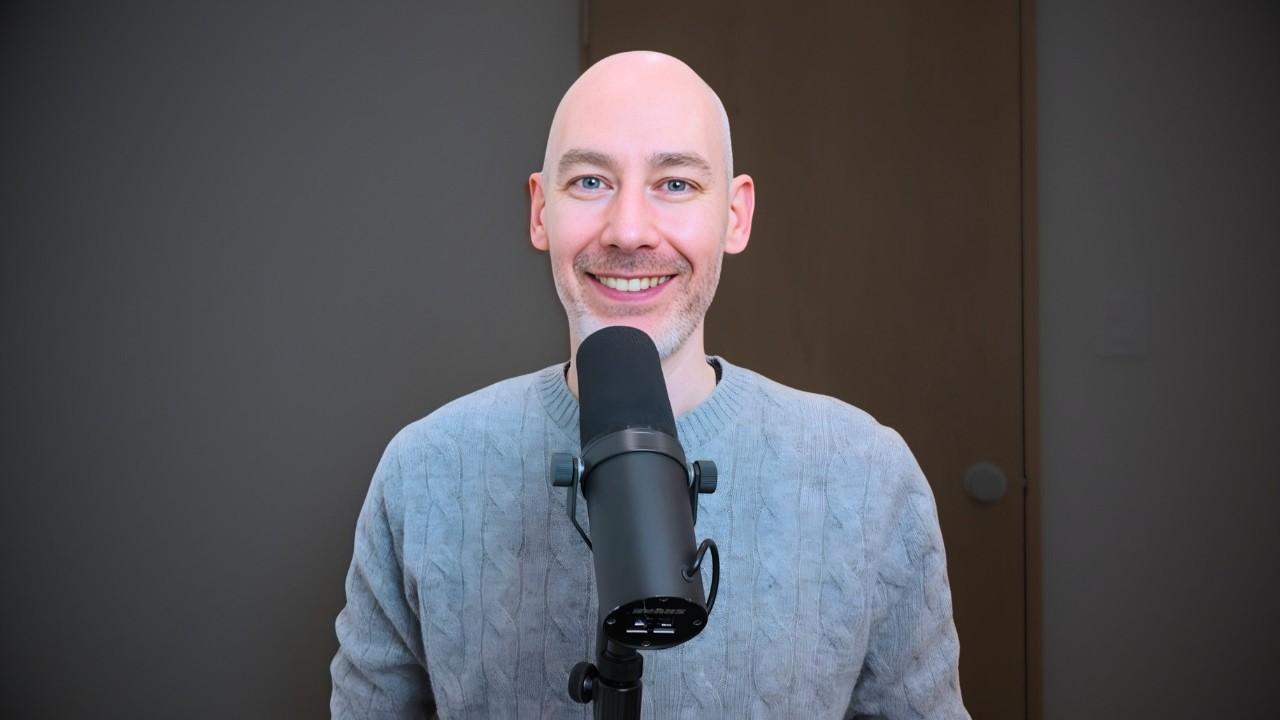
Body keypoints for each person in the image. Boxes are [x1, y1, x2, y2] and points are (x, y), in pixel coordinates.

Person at [330, 51, 969, 719]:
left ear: (736, 215)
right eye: (590, 181)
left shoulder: (867, 476)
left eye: (675, 184)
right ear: (541, 211)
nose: (629, 232)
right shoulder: (423, 471)